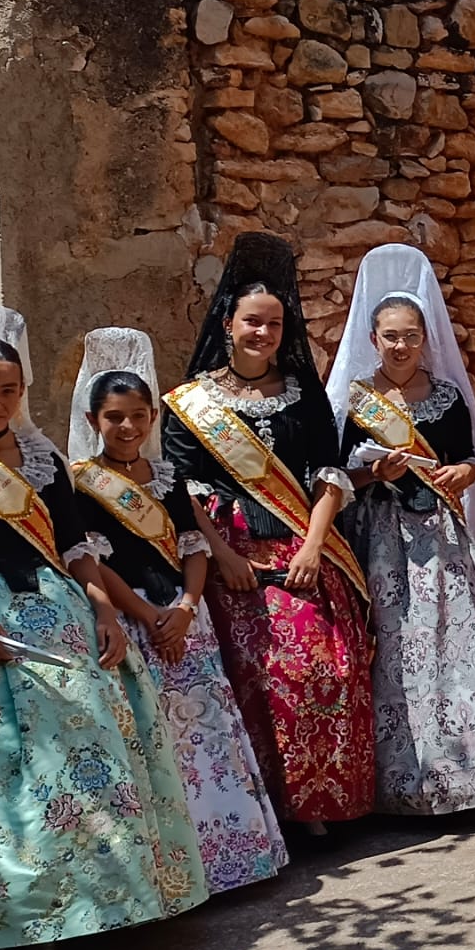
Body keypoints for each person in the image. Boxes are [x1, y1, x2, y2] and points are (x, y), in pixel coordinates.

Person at [0, 304, 207, 950]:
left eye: (8, 391)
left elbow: (77, 546)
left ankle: (74, 907)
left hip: (57, 612)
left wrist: (103, 611)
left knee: (80, 762)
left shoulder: (45, 461)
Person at [163, 233, 376, 830]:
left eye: (275, 325)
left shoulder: (303, 396)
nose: (263, 333)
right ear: (228, 324)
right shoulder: (190, 404)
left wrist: (313, 547)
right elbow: (180, 490)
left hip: (301, 546)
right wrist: (223, 554)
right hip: (227, 554)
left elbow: (329, 476)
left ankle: (317, 804)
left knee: (324, 662)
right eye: (252, 322)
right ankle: (263, 811)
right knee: (255, 668)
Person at [69, 328, 288, 891]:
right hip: (141, 622)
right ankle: (183, 869)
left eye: (139, 415)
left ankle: (239, 856)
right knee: (160, 742)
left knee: (212, 734)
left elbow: (194, 548)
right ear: (94, 420)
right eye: (115, 416)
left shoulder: (166, 481)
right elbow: (94, 561)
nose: (128, 427)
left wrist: (188, 605)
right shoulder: (83, 486)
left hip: (187, 621)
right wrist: (147, 615)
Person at [330, 245, 475, 817]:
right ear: (374, 339)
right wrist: (374, 472)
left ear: (426, 338)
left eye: (411, 335)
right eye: (390, 336)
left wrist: (460, 471)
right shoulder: (354, 401)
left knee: (455, 644)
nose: (401, 346)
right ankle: (400, 787)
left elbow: (472, 460)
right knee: (395, 647)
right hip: (380, 540)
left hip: (440, 535)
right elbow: (338, 476)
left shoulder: (445, 398)